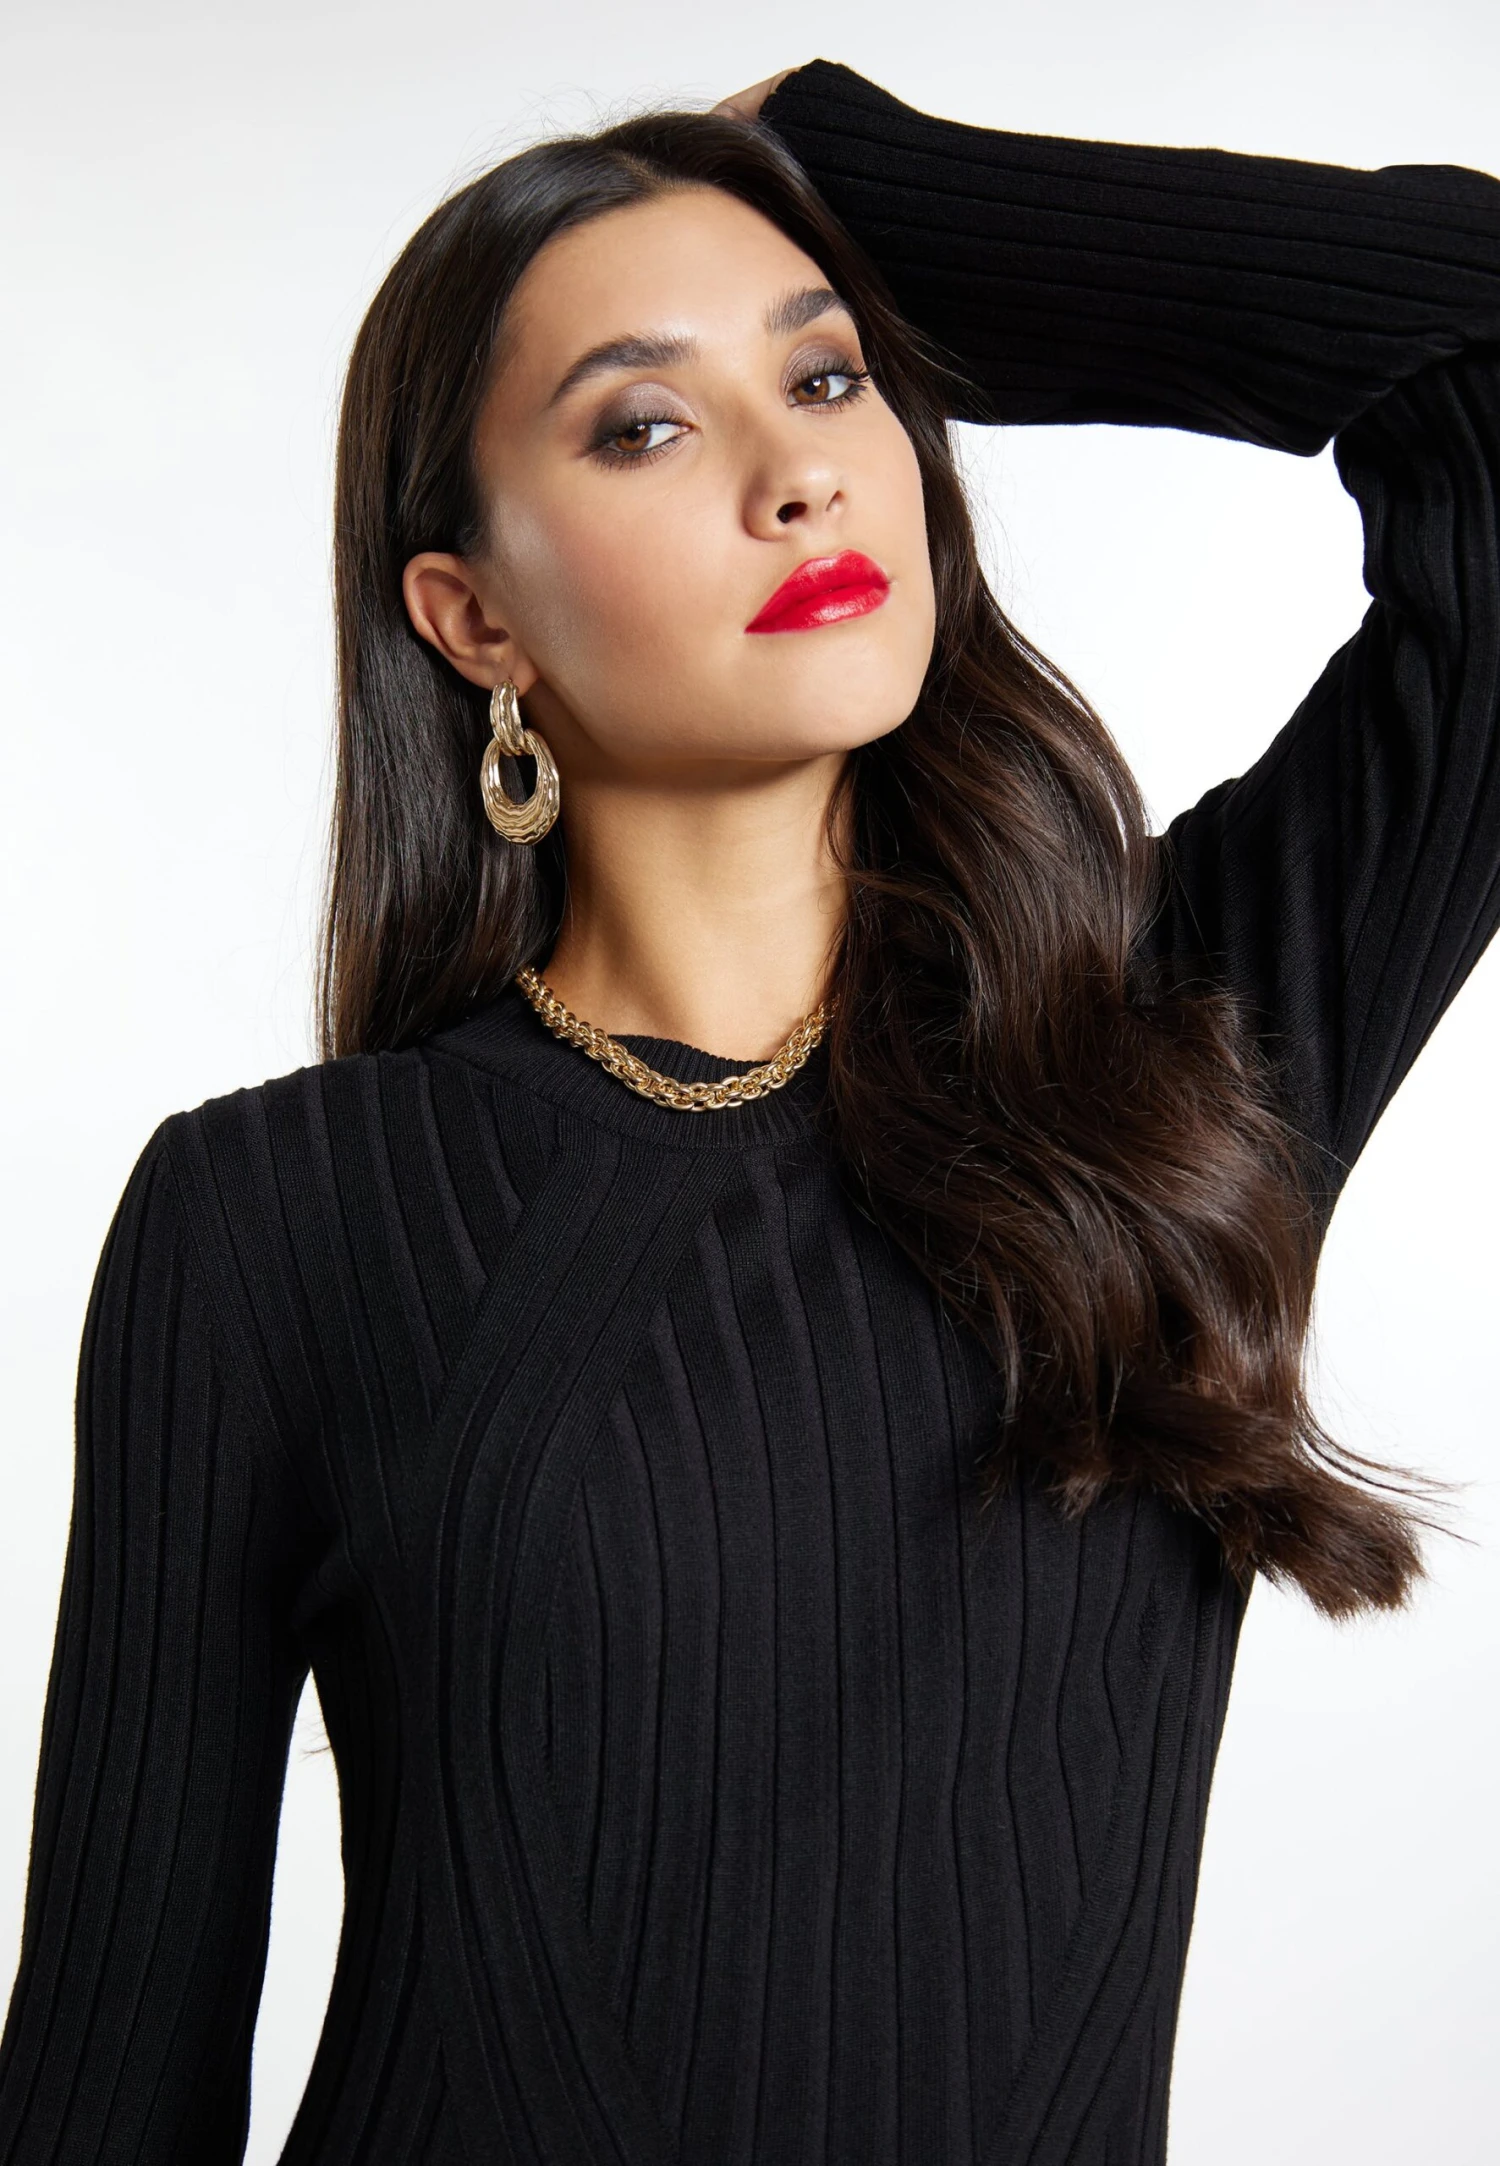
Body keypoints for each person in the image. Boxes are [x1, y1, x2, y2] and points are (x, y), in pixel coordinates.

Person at [2, 54, 1498, 2166]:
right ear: (473, 618)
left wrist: (866, 176)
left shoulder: (1169, 1056)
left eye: (826, 378)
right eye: (646, 423)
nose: (797, 478)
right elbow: (105, 2083)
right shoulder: (272, 1212)